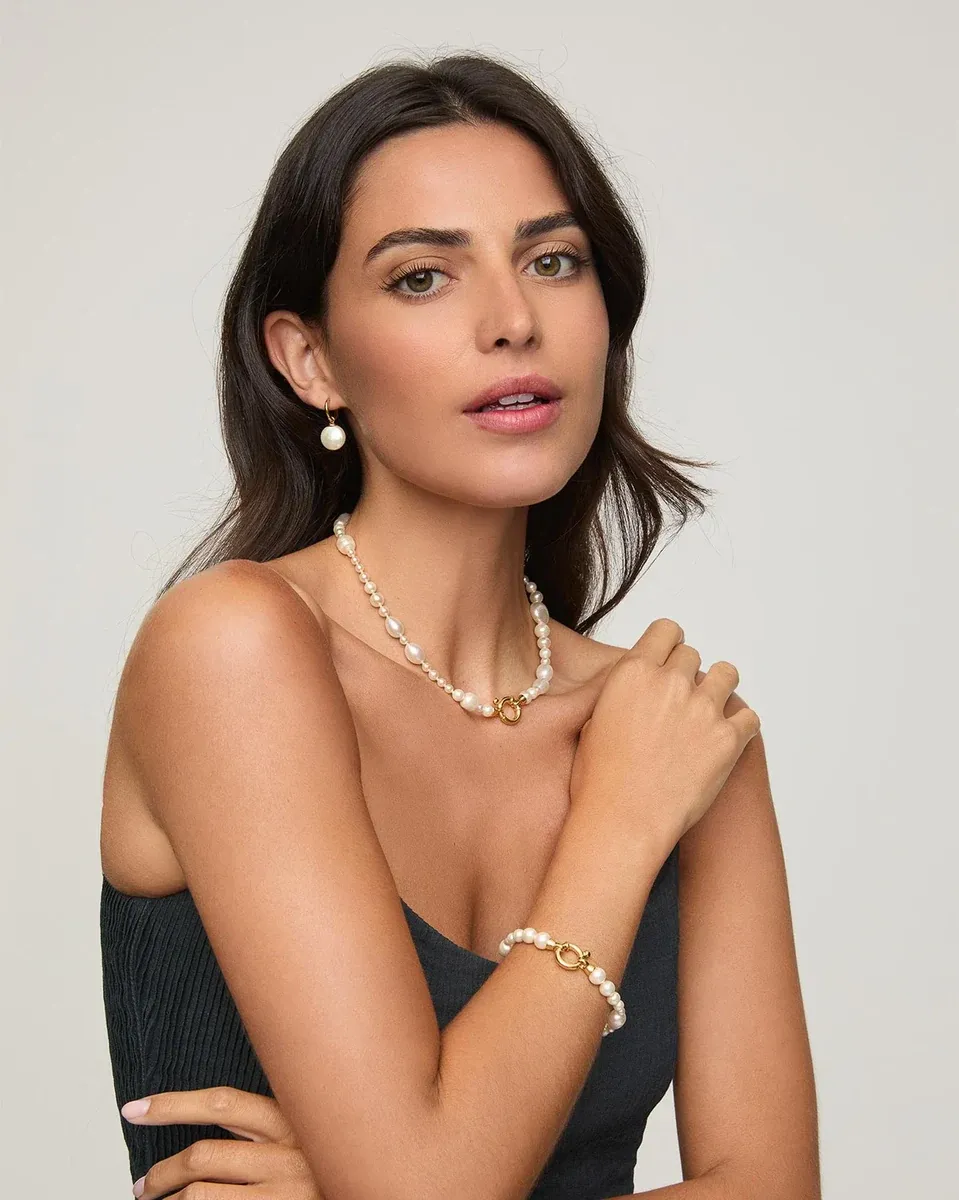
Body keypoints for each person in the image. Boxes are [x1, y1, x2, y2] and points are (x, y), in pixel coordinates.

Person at [99, 50, 820, 1200]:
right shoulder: (231, 647)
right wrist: (618, 826)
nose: (511, 320)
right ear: (311, 360)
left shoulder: (686, 736)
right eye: (422, 277)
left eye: (551, 260)